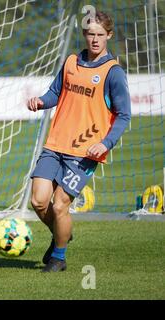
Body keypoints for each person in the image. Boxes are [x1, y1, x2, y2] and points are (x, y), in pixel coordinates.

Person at [26, 11, 131, 272]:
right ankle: (62, 232)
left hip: (84, 153)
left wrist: (105, 144)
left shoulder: (113, 72)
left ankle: (58, 258)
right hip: (55, 144)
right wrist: (40, 102)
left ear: (109, 35)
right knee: (39, 201)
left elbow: (124, 115)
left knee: (60, 204)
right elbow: (54, 93)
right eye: (90, 34)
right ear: (84, 35)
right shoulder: (71, 62)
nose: (95, 40)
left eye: (100, 34)